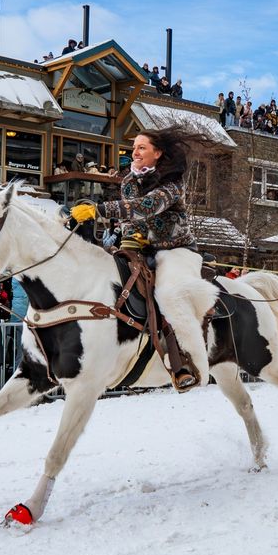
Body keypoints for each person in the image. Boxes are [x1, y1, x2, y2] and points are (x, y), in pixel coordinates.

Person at [67, 129, 216, 391]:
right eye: (133, 147)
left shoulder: (172, 184)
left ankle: (191, 363)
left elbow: (145, 207)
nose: (134, 152)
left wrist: (98, 209)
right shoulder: (130, 180)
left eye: (141, 148)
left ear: (158, 153)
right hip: (144, 250)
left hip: (177, 251)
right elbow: (130, 218)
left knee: (169, 295)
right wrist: (129, 237)